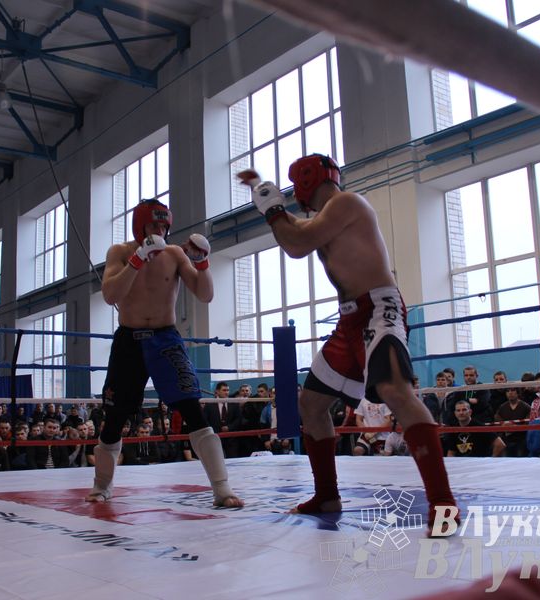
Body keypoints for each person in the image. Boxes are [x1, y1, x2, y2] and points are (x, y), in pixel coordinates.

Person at [240, 154, 457, 531]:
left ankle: (443, 504)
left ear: (306, 182)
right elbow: (293, 231)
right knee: (310, 404)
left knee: (396, 393)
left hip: (378, 307)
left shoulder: (345, 202)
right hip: (349, 320)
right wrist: (265, 195)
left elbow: (295, 242)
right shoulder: (324, 217)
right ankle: (327, 494)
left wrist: (271, 206)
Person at [87, 199, 242, 508]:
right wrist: (138, 259)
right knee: (115, 416)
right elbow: (109, 295)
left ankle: (222, 489)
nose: (160, 231)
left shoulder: (174, 254)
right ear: (139, 227)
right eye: (154, 226)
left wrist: (203, 262)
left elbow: (205, 294)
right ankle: (102, 486)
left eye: (163, 226)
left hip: (166, 339)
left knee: (193, 410)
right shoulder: (119, 252)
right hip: (129, 340)